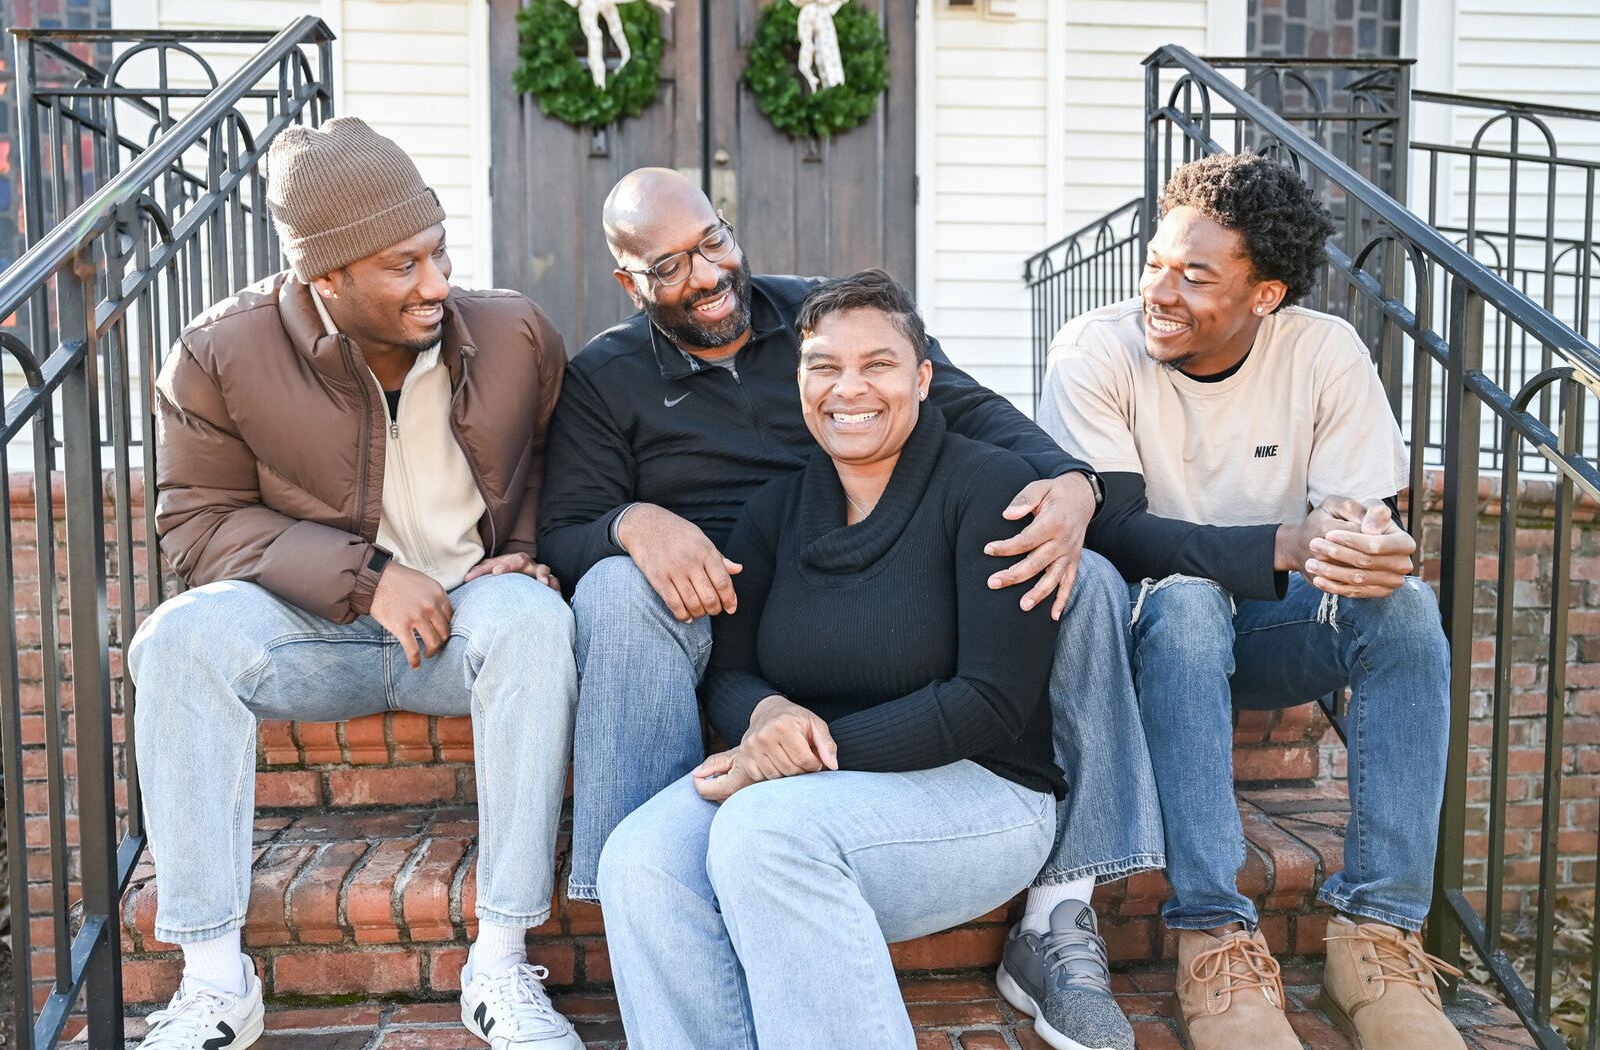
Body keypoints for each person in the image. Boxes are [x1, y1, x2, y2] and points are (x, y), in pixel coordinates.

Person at [538, 168, 1164, 1050]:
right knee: (645, 825)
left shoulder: (821, 321)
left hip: (904, 604)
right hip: (721, 606)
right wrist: (638, 525)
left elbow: (983, 418)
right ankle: (654, 865)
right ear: (631, 281)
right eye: (671, 264)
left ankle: (1062, 908)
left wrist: (1074, 484)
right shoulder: (606, 377)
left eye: (713, 239)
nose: (708, 273)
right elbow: (563, 531)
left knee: (1082, 571)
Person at [127, 118, 583, 1050]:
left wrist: (531, 548)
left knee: (536, 620)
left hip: (470, 619)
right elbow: (195, 524)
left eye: (439, 251)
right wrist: (367, 577)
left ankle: (501, 961)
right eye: (401, 265)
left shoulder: (513, 333)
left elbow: (559, 465)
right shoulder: (220, 352)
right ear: (323, 277)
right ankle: (215, 982)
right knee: (176, 638)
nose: (436, 283)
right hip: (312, 632)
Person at [1037, 152, 1463, 1050]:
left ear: (1264, 295)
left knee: (1408, 610)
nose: (1161, 289)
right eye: (1156, 262)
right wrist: (1281, 545)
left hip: (1268, 633)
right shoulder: (1093, 348)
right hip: (1152, 634)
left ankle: (1376, 935)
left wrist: (1373, 548)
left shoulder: (1322, 351)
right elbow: (1114, 527)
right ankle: (1213, 935)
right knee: (1188, 602)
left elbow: (1354, 516)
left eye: (1196, 275)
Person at [597, 269, 1064, 1049]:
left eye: (878, 364)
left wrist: (799, 755)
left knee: (765, 831)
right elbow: (730, 672)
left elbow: (992, 700)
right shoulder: (774, 510)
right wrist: (769, 715)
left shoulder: (990, 485)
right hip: (804, 790)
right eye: (825, 366)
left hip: (981, 791)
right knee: (640, 859)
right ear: (800, 381)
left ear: (921, 379)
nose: (850, 388)